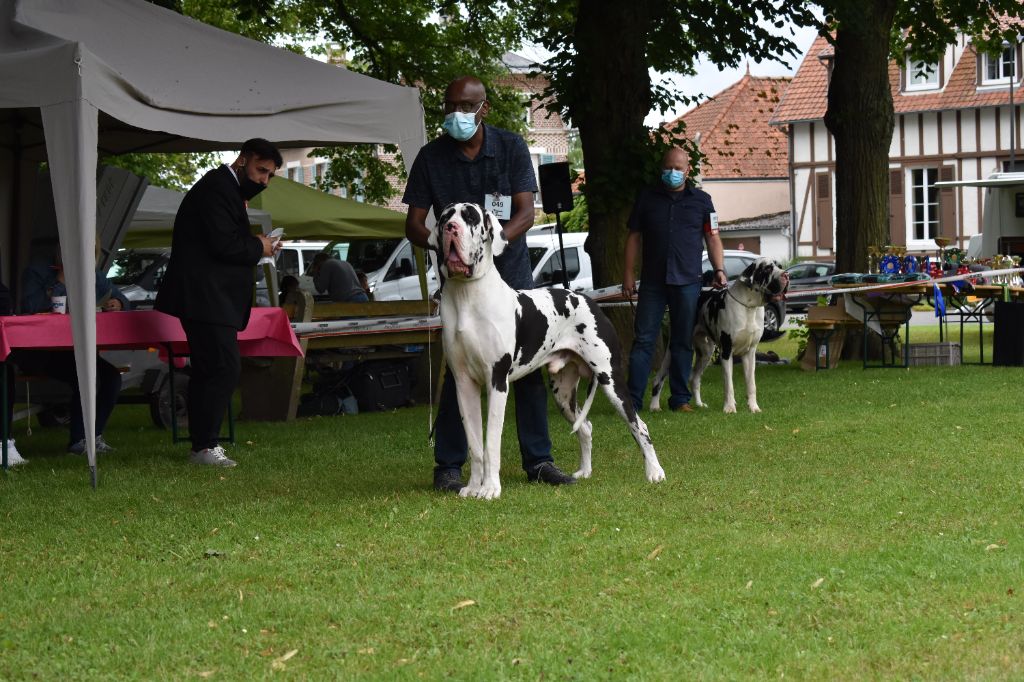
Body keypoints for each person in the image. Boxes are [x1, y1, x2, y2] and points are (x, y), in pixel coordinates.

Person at [403, 75, 575, 492]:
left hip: (507, 272)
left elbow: (526, 212)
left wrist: (493, 243)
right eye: (449, 107)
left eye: (465, 107)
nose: (455, 115)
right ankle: (449, 464)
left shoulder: (512, 147)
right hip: (457, 280)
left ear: (485, 109)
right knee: (459, 369)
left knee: (528, 367)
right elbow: (412, 223)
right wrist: (446, 250)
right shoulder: (430, 157)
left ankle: (539, 460)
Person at [155, 138, 282, 467]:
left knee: (212, 369)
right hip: (205, 298)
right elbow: (224, 245)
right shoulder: (216, 188)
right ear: (243, 160)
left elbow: (225, 243)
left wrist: (259, 246)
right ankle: (204, 445)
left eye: (269, 176)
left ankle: (203, 444)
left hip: (209, 298)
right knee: (223, 367)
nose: (263, 181)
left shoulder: (225, 189)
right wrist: (259, 247)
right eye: (261, 170)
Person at [622, 147, 728, 414]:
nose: (673, 173)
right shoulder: (646, 198)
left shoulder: (703, 201)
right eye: (668, 167)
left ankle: (680, 399)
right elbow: (633, 237)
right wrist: (627, 274)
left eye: (678, 168)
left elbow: (713, 237)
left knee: (682, 340)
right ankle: (632, 401)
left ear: (687, 170)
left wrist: (720, 270)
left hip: (688, 281)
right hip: (652, 282)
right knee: (644, 340)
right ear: (661, 168)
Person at [14, 249, 131, 455]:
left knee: (111, 377)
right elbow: (29, 308)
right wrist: (61, 280)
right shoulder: (37, 270)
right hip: (40, 350)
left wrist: (118, 303)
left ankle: (93, 437)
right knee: (85, 376)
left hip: (74, 349)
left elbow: (120, 297)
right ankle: (78, 441)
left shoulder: (91, 273)